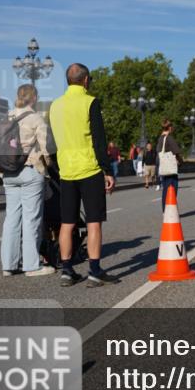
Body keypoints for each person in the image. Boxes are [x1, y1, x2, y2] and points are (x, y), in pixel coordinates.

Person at [47, 63, 119, 287]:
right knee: (94, 222)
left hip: (66, 171)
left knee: (67, 223)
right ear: (86, 80)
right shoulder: (90, 102)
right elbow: (99, 140)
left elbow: (53, 141)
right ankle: (95, 271)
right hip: (89, 169)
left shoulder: (55, 106)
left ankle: (67, 271)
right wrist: (107, 170)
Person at [0, 84, 55, 277]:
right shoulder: (36, 118)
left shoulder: (6, 117)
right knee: (32, 219)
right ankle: (31, 265)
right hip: (30, 170)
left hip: (8, 173)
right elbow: (46, 148)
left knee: (11, 218)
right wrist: (47, 166)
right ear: (34, 97)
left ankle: (9, 264)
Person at [156, 120, 182, 210]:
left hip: (164, 167)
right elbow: (176, 151)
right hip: (171, 168)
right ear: (170, 127)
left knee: (165, 190)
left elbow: (159, 151)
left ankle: (165, 210)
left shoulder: (160, 138)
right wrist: (180, 162)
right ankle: (170, 210)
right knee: (172, 189)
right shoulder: (169, 138)